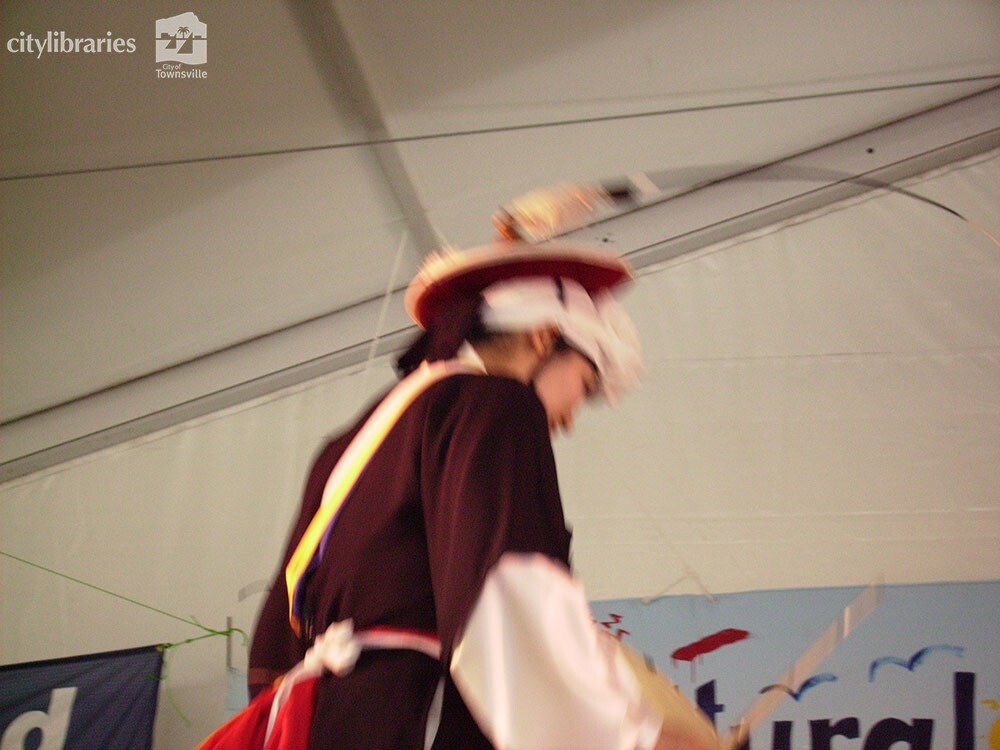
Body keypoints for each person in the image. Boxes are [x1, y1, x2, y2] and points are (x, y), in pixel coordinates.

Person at [199, 240, 711, 750]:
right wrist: (629, 739)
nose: (572, 419)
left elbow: (277, 633)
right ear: (543, 336)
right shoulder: (494, 404)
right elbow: (506, 591)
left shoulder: (349, 444)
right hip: (418, 716)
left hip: (322, 722)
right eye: (586, 383)